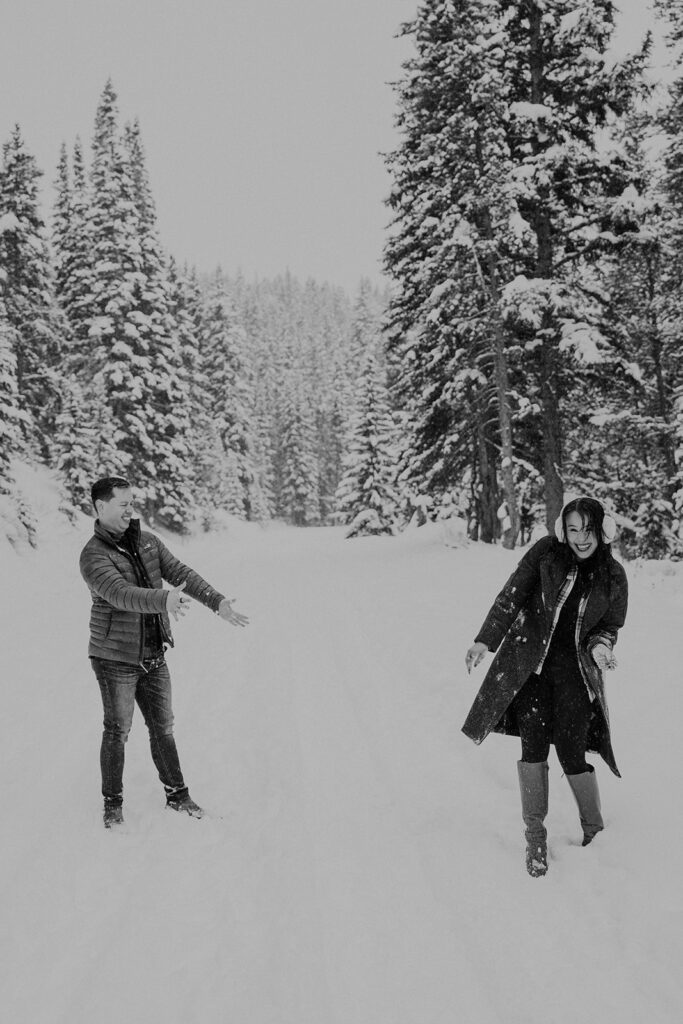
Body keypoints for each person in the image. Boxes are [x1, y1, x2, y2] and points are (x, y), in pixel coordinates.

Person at [462, 496, 628, 877]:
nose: (580, 538)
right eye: (573, 529)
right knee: (533, 749)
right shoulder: (545, 555)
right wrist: (484, 641)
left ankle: (595, 831)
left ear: (602, 531)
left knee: (572, 753)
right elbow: (510, 597)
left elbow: (609, 627)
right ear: (562, 530)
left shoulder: (613, 575)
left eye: (588, 530)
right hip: (531, 673)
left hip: (575, 677)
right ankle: (535, 836)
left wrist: (602, 647)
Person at [80, 476, 249, 829]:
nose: (130, 510)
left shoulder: (148, 542)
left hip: (153, 654)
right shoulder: (93, 556)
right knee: (117, 730)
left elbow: (180, 572)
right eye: (123, 504)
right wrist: (162, 600)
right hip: (114, 659)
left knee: (163, 727)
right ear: (100, 507)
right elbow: (120, 593)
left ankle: (178, 796)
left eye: (132, 502)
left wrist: (216, 601)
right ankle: (112, 806)